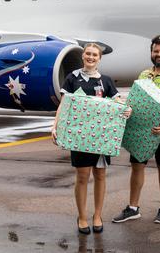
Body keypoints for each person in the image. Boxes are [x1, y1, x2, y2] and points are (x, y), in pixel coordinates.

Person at [51, 43, 131, 235]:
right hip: (80, 137)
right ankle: (82, 217)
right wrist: (55, 126)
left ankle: (97, 215)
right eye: (88, 53)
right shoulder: (72, 78)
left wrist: (127, 109)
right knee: (82, 176)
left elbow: (117, 102)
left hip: (101, 137)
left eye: (95, 55)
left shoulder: (106, 81)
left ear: (99, 58)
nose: (91, 57)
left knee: (100, 175)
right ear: (83, 56)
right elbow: (64, 105)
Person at [112, 36, 160, 225]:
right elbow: (136, 99)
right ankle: (133, 208)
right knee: (137, 166)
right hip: (141, 130)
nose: (159, 54)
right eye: (156, 51)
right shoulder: (143, 75)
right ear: (151, 52)